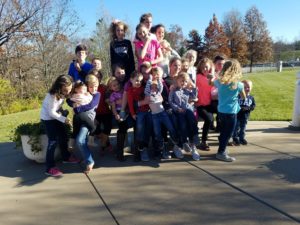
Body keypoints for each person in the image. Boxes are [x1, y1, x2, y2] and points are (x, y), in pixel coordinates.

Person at [40, 75, 79, 177]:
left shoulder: (62, 94)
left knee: (63, 136)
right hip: (48, 119)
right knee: (52, 142)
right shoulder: (52, 96)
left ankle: (66, 157)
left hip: (56, 117)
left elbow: (58, 107)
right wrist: (64, 119)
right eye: (66, 90)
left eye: (69, 90)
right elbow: (51, 112)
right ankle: (49, 167)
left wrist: (63, 112)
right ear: (59, 87)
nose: (68, 92)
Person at [209, 59, 246, 162]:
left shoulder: (219, 82)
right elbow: (243, 97)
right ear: (237, 71)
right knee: (228, 133)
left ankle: (222, 148)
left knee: (223, 132)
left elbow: (210, 84)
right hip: (231, 113)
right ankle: (221, 153)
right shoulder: (239, 85)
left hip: (221, 111)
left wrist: (210, 78)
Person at [144, 67, 181, 159]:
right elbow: (147, 89)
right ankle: (161, 146)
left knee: (170, 127)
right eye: (154, 74)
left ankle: (175, 140)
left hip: (163, 112)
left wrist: (158, 80)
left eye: (158, 74)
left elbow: (160, 87)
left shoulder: (159, 89)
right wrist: (150, 80)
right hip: (154, 115)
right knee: (157, 132)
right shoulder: (148, 92)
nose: (154, 87)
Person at [168, 72, 200, 161]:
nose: (183, 83)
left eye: (186, 81)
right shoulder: (173, 90)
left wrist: (194, 87)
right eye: (182, 81)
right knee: (182, 124)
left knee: (192, 119)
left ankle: (195, 137)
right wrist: (177, 108)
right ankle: (184, 142)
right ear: (177, 80)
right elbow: (171, 101)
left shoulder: (187, 90)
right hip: (179, 111)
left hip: (187, 110)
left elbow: (194, 96)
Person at [73, 74, 100, 173]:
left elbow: (90, 106)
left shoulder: (97, 94)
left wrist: (77, 109)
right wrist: (72, 103)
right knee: (79, 140)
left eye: (96, 86)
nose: (94, 89)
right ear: (87, 86)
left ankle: (90, 161)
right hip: (80, 120)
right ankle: (87, 157)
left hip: (88, 120)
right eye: (91, 87)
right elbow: (69, 99)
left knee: (80, 140)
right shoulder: (83, 93)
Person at [127, 71, 152, 162]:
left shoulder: (144, 88)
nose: (138, 83)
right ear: (131, 80)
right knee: (140, 129)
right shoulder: (130, 90)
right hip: (139, 112)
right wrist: (133, 113)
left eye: (140, 81)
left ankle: (145, 146)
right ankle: (141, 147)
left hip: (148, 111)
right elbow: (130, 103)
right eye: (136, 80)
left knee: (148, 128)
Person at [195, 57, 215, 151]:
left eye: (206, 67)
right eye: (202, 67)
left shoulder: (213, 77)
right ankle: (203, 141)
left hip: (210, 104)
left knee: (211, 120)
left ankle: (226, 137)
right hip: (200, 104)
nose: (205, 69)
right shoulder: (198, 77)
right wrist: (195, 101)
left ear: (210, 67)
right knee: (209, 119)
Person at [232, 80, 256, 145]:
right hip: (238, 115)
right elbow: (234, 104)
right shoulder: (238, 96)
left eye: (248, 87)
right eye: (244, 87)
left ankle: (241, 138)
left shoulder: (251, 98)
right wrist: (240, 108)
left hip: (245, 116)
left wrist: (248, 108)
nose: (246, 89)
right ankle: (235, 138)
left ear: (251, 88)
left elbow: (253, 106)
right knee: (236, 127)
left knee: (243, 128)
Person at [210, 54, 226, 132]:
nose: (221, 66)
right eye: (219, 64)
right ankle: (211, 124)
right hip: (211, 98)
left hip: (221, 99)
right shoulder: (211, 74)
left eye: (223, 64)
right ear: (214, 64)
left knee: (220, 113)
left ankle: (219, 127)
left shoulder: (226, 75)